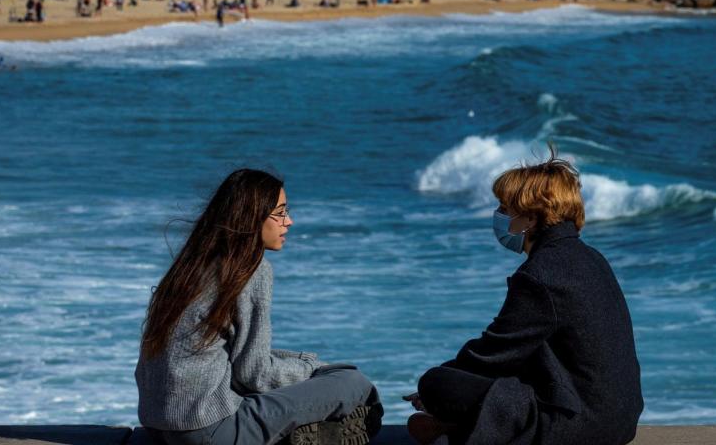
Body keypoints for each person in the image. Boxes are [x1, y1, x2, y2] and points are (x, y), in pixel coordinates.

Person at [406, 150, 643, 445]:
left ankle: (454, 427)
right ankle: (452, 428)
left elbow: (493, 351)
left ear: (531, 216)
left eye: (505, 208)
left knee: (436, 383)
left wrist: (440, 383)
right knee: (500, 373)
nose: (500, 217)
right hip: (620, 419)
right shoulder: (593, 259)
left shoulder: (541, 274)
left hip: (576, 426)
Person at [135, 169, 383, 445]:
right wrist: (313, 369)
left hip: (158, 426)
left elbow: (230, 357)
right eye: (280, 213)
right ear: (251, 217)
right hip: (210, 431)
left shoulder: (189, 267)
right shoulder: (248, 271)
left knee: (310, 373)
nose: (288, 221)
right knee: (352, 381)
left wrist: (303, 364)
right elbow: (254, 373)